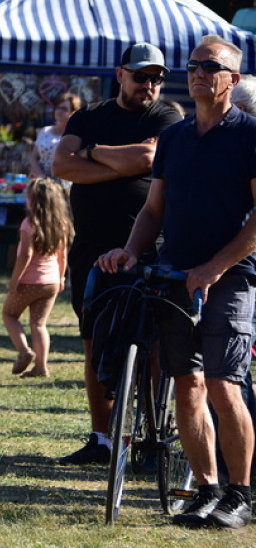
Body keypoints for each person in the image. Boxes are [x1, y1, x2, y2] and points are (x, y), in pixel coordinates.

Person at [97, 35, 256, 529]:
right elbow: (153, 209)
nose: (198, 73)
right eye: (192, 66)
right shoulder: (175, 138)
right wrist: (132, 249)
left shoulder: (250, 135)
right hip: (173, 276)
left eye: (211, 66)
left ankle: (240, 493)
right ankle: (206, 488)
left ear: (233, 78)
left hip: (229, 279)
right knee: (185, 386)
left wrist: (214, 268)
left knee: (223, 384)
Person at [51, 42, 181, 464]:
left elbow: (150, 156)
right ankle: (102, 439)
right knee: (93, 339)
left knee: (153, 341)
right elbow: (62, 165)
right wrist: (115, 160)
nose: (149, 85)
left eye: (156, 78)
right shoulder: (88, 116)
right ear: (120, 73)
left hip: (147, 246)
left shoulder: (166, 115)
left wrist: (94, 152)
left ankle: (151, 439)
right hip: (90, 246)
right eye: (141, 76)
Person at [1, 178, 72, 378]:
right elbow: (63, 255)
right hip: (50, 282)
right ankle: (41, 366)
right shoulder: (62, 223)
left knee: (10, 315)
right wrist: (61, 278)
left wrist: (15, 280)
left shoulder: (29, 224)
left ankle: (24, 351)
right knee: (39, 324)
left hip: (29, 281)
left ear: (34, 200)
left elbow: (25, 254)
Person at [31, 92, 82, 180]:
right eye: (58, 107)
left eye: (64, 109)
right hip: (42, 180)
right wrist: (41, 177)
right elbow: (33, 157)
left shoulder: (75, 136)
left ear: (73, 113)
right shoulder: (45, 131)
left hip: (64, 183)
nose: (59, 111)